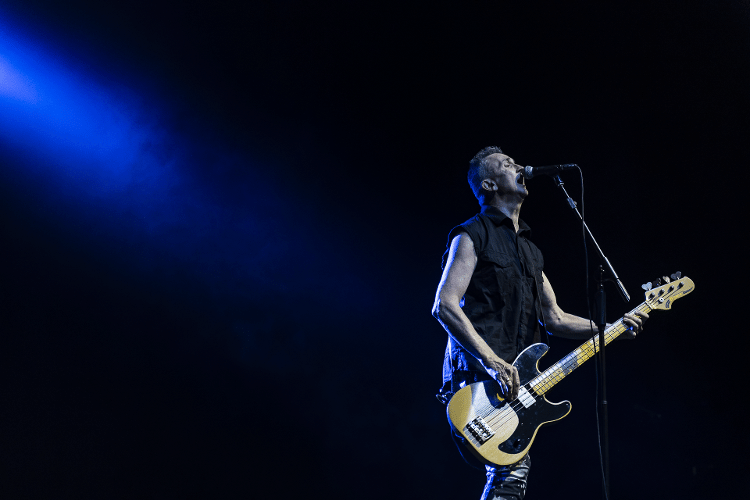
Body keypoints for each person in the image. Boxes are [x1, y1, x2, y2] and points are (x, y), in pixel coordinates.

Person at [431, 146, 648, 500]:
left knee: (512, 475)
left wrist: (612, 329)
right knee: (511, 472)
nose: (517, 165)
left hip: (515, 381)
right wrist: (492, 360)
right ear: (488, 184)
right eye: (506, 164)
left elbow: (555, 318)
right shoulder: (470, 235)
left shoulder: (531, 252)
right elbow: (445, 305)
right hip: (478, 376)